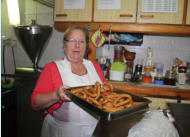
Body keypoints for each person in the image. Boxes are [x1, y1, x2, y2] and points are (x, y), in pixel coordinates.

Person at [31, 26, 107, 137]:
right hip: (64, 132)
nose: (77, 45)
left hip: (93, 129)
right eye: (72, 41)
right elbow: (35, 103)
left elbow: (105, 93)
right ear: (64, 43)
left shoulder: (94, 66)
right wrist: (56, 95)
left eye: (81, 41)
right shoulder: (52, 68)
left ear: (86, 46)